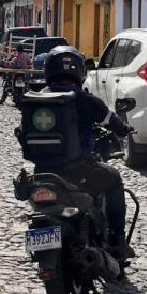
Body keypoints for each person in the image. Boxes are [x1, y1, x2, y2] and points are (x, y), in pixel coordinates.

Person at [30, 46, 133, 260]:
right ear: (78, 72)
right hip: (78, 169)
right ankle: (116, 238)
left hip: (43, 172)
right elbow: (111, 120)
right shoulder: (83, 99)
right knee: (114, 179)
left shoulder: (36, 100)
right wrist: (124, 130)